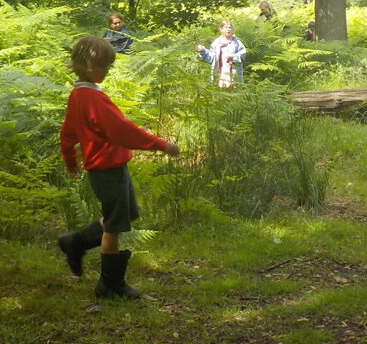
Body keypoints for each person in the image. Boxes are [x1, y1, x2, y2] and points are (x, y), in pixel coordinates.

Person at [58, 36, 179, 299]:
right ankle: (110, 284)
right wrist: (161, 144)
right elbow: (122, 131)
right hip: (107, 168)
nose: (108, 70)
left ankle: (75, 242)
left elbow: (67, 134)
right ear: (89, 65)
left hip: (109, 167)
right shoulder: (92, 99)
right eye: (105, 66)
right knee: (114, 226)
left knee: (122, 216)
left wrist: (70, 160)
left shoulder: (78, 95)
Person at [196, 20, 247, 88]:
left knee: (232, 90)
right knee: (220, 91)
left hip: (232, 72)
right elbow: (211, 57)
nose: (228, 29)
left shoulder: (237, 42)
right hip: (220, 71)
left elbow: (243, 54)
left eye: (230, 27)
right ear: (221, 29)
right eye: (226, 28)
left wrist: (232, 57)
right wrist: (202, 50)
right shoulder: (217, 42)